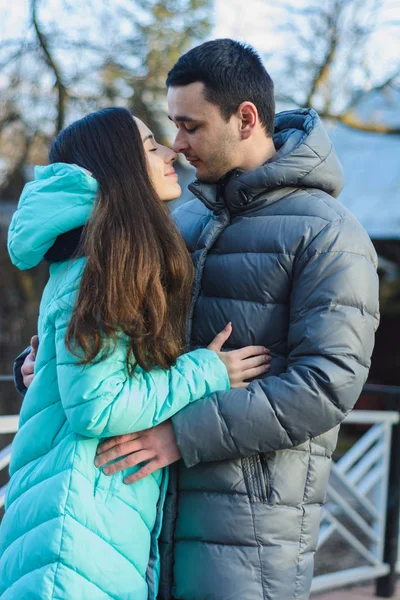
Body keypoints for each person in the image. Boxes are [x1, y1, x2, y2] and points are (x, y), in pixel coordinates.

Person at [15, 40, 380, 600]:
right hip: (139, 518)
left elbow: (325, 385)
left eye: (190, 126)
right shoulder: (178, 222)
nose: (178, 145)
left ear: (246, 119)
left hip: (247, 531)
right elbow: (119, 342)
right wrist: (50, 364)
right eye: (170, 127)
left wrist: (179, 435)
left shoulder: (330, 234)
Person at [1, 107, 271, 600]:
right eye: (150, 147)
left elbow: (77, 366)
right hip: (76, 528)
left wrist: (36, 372)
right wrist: (205, 370)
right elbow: (99, 405)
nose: (171, 151)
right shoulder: (103, 265)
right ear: (119, 170)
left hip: (80, 515)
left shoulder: (91, 255)